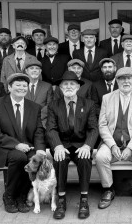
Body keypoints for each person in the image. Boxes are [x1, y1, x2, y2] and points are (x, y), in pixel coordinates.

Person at [0, 73, 46, 213]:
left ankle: (21, 195)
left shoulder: (35, 107)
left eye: (24, 85)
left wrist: (39, 149)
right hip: (4, 147)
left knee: (34, 159)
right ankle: (9, 196)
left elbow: (38, 131)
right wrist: (16, 145)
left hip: (28, 146)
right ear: (9, 87)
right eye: (18, 85)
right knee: (19, 157)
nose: (22, 88)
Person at [95, 67, 132, 210]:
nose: (126, 81)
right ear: (117, 81)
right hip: (112, 141)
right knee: (100, 157)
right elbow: (102, 125)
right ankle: (108, 189)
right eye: (122, 79)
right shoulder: (107, 98)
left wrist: (131, 147)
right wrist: (112, 145)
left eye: (129, 78)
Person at [46, 71, 98, 220]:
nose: (69, 86)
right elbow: (51, 128)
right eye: (65, 84)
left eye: (72, 84)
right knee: (60, 160)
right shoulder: (53, 105)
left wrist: (88, 146)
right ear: (60, 88)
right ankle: (61, 200)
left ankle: (84, 200)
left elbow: (93, 128)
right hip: (62, 144)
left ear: (78, 86)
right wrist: (57, 146)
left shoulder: (89, 104)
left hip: (81, 144)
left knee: (84, 160)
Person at [24, 60, 53, 128]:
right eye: (31, 68)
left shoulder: (47, 86)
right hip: (24, 120)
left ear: (40, 71)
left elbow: (50, 105)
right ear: (26, 71)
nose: (34, 70)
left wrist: (38, 117)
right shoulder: (21, 86)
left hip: (42, 121)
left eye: (37, 68)